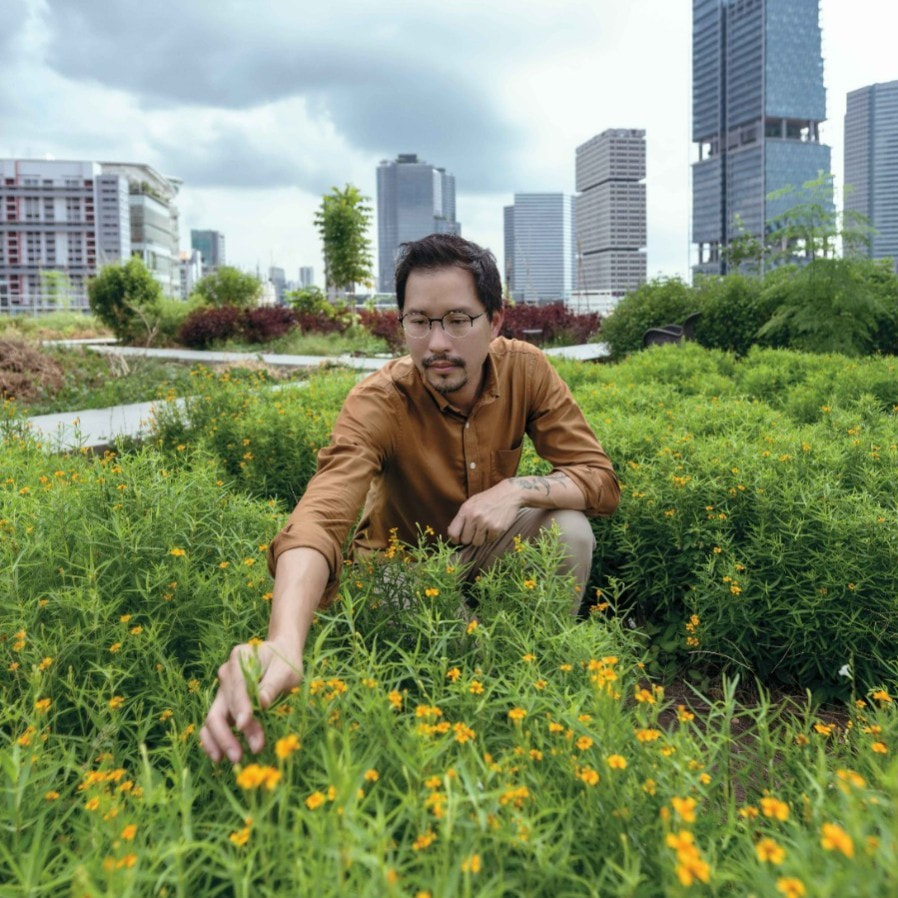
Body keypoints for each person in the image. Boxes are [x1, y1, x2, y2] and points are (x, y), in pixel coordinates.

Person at [200, 233, 619, 764]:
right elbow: (320, 518)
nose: (436, 342)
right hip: (402, 567)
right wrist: (283, 642)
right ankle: (483, 727)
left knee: (570, 529)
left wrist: (516, 490)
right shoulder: (380, 400)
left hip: (485, 548)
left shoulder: (526, 370)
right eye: (419, 321)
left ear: (494, 321)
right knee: (463, 657)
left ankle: (543, 674)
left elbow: (598, 479)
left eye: (458, 320)